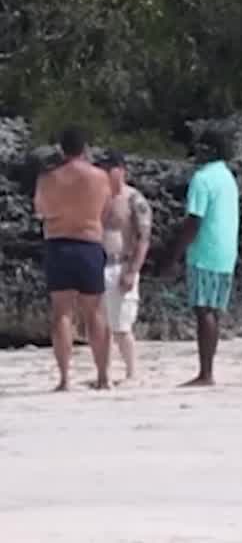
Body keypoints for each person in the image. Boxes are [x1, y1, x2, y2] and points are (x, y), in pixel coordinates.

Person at [157, 128, 240, 387]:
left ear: (210, 150)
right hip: (226, 252)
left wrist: (173, 256)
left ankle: (205, 373)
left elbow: (194, 221)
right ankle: (207, 370)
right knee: (213, 311)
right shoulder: (227, 176)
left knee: (203, 310)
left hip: (205, 251)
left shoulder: (202, 179)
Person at [33, 126, 114, 391]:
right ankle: (103, 376)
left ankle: (65, 378)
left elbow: (41, 211)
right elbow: (106, 210)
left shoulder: (48, 178)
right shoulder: (99, 177)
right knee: (95, 312)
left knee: (62, 313)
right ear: (85, 148)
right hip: (89, 243)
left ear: (61, 148)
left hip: (58, 243)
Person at [97, 151, 154, 381]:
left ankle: (132, 372)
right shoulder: (99, 197)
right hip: (99, 264)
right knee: (101, 325)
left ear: (120, 170)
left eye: (109, 169)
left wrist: (132, 270)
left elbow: (143, 237)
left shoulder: (134, 199)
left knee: (121, 326)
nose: (105, 173)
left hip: (122, 264)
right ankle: (105, 372)